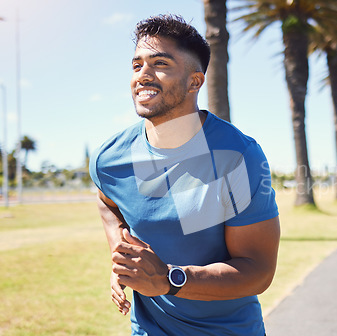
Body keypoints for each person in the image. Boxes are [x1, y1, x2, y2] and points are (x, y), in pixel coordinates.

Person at [89, 14, 280, 335]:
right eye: (137, 66)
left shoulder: (237, 156)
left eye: (160, 64)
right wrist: (122, 256)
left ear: (195, 81)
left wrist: (167, 279)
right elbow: (107, 203)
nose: (143, 75)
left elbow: (258, 272)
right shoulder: (110, 157)